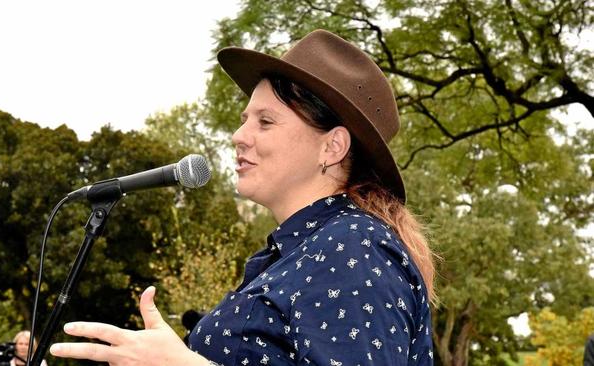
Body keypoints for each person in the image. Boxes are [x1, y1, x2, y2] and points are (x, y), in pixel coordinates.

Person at [49, 29, 436, 365]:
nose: (239, 135)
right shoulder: (299, 254)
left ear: (332, 147)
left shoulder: (353, 249)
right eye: (245, 118)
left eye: (265, 121)